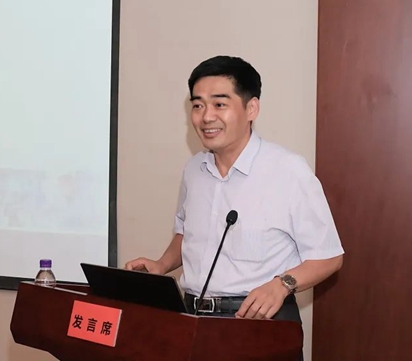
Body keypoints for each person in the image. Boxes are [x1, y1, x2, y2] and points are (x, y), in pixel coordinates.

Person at [125, 55, 344, 324]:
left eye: (219, 104)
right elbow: (187, 234)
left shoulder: (288, 170)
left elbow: (329, 257)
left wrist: (282, 284)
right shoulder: (194, 170)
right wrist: (162, 265)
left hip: (258, 321)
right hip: (191, 316)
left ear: (251, 108)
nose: (207, 117)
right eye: (198, 105)